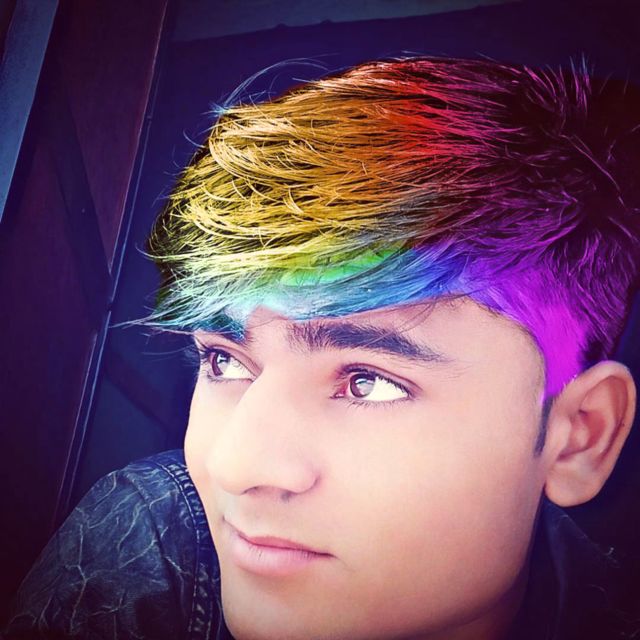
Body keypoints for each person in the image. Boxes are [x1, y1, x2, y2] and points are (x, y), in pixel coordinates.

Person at [4, 56, 640, 640]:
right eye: (224, 361)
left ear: (577, 437)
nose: (234, 467)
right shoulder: (146, 543)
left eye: (367, 381)